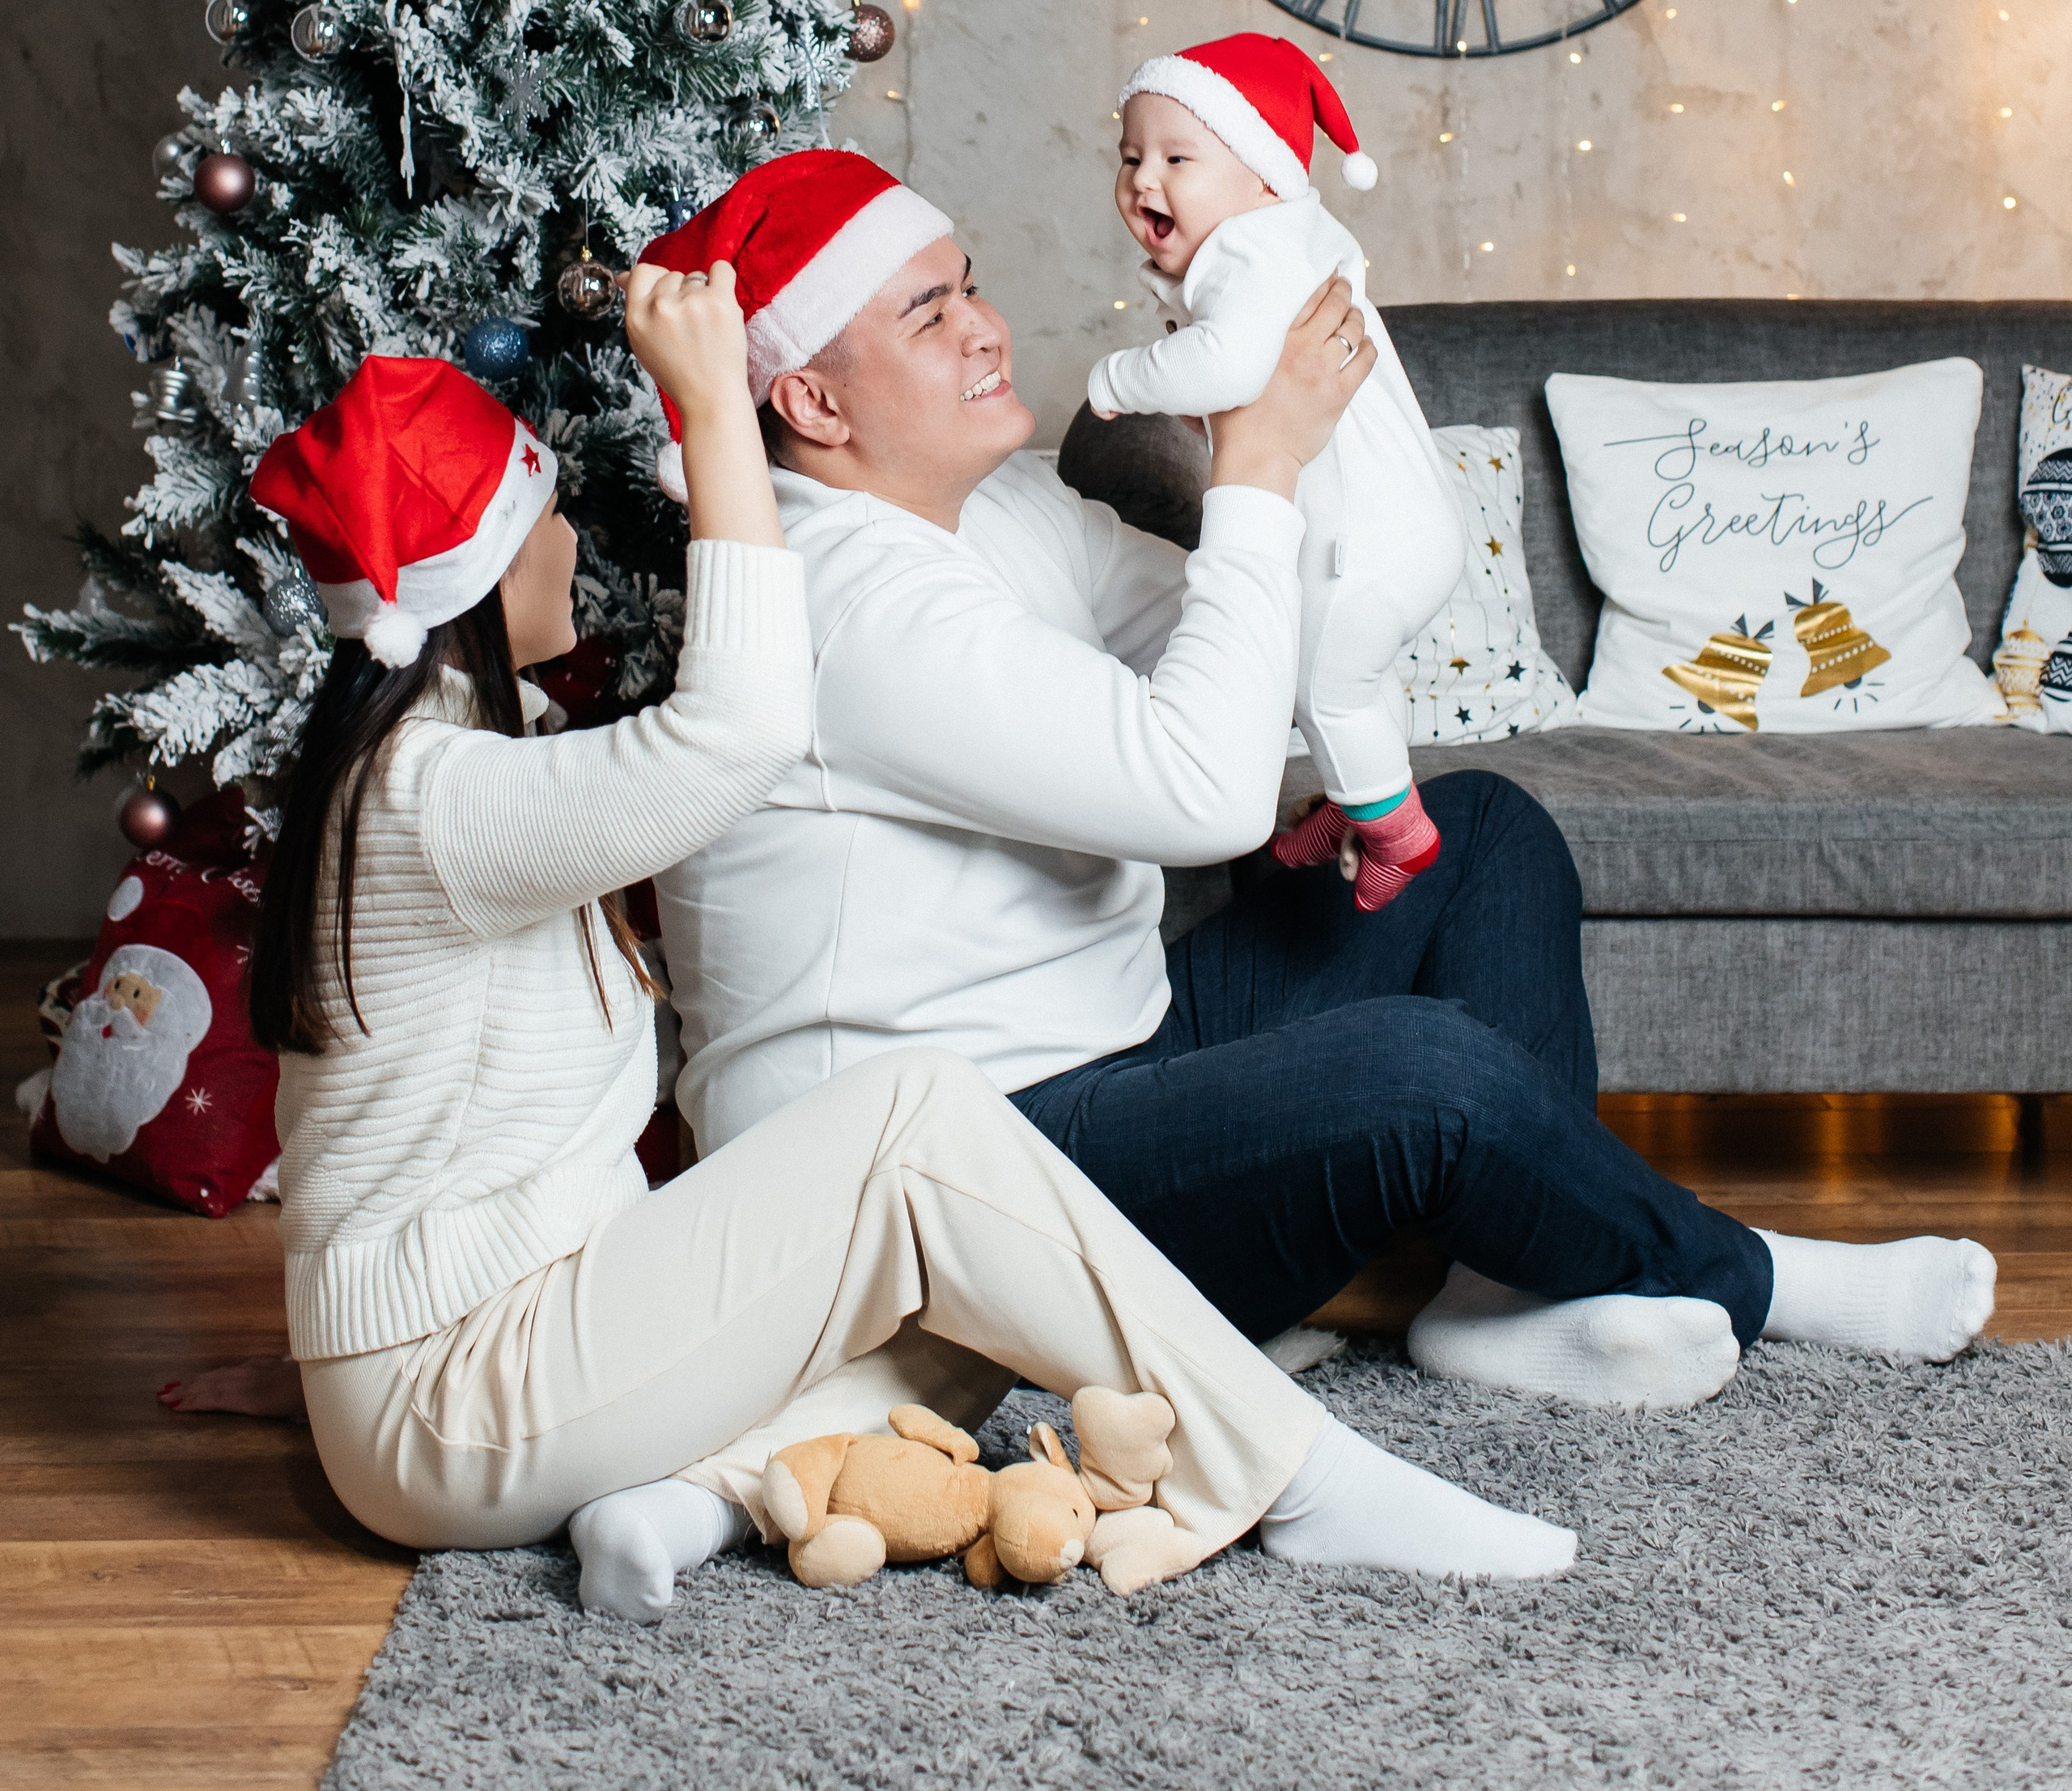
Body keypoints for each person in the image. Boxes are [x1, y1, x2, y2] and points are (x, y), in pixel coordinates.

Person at [242, 270, 1582, 1625]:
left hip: (513, 1352)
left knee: (966, 1281)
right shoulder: (434, 801)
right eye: (543, 518)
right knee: (918, 1121)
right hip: (455, 1408)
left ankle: (703, 1494)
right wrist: (713, 408)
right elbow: (743, 730)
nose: (572, 536)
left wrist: (322, 1360)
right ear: (474, 578)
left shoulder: (452, 759)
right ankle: (1294, 1477)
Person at [649, 149, 1999, 1416]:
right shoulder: (840, 603)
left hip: (1109, 1053)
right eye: (929, 313)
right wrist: (1260, 456)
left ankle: (1497, 1297)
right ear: (813, 402)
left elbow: (1254, 647)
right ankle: (1754, 1275)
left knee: (1477, 831)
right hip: (955, 1197)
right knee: (1423, 1077)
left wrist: (1312, 439)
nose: (988, 328)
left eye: (972, 286)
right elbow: (1201, 790)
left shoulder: (998, 512)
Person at [1086, 31, 1466, 911]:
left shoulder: (1249, 250)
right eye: (1132, 156)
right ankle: (1347, 801)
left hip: (1366, 546)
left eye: (1178, 157)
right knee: (1343, 675)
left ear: (1261, 178)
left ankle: (1398, 836)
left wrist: (1120, 377)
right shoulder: (1285, 243)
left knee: (1323, 688)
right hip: (1394, 532)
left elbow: (1224, 368)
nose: (1145, 180)